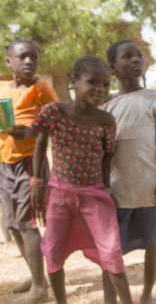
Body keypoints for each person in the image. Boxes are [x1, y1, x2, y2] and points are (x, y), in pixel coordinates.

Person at [32, 56, 133, 304]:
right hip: (59, 195)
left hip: (94, 195)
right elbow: (40, 143)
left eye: (105, 85)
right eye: (92, 82)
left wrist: (107, 188)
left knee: (111, 253)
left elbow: (107, 156)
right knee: (53, 252)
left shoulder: (106, 120)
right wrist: (37, 181)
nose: (99, 89)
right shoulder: (54, 112)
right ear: (74, 82)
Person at [101, 40, 156, 304]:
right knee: (111, 248)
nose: (136, 60)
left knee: (152, 241)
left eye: (139, 56)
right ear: (113, 68)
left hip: (150, 184)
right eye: (127, 56)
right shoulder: (107, 106)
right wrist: (103, 187)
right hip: (118, 188)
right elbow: (102, 153)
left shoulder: (155, 98)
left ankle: (146, 294)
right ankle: (110, 298)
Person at [0, 39, 56, 302]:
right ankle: (37, 276)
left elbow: (58, 121)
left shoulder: (41, 89)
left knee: (27, 225)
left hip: (29, 164)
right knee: (12, 225)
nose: (29, 61)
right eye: (22, 57)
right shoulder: (1, 88)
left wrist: (32, 130)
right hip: (4, 164)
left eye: (33, 57)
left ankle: (40, 289)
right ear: (8, 60)